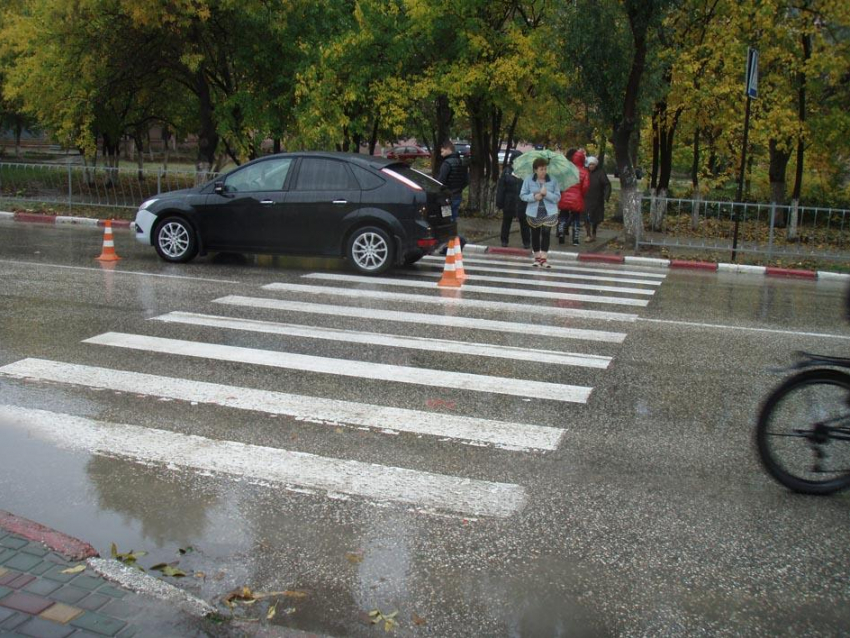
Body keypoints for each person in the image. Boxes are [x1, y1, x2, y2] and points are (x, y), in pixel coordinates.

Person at [520, 158, 560, 268]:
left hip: (549, 212)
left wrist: (547, 194)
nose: (543, 171)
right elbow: (522, 195)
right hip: (534, 211)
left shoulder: (553, 180)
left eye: (545, 169)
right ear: (535, 170)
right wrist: (534, 197)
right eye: (541, 169)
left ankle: (544, 258)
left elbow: (557, 197)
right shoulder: (528, 180)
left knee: (546, 232)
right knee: (535, 234)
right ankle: (537, 257)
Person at [495, 158, 531, 249]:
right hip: (509, 201)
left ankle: (526, 242)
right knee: (506, 221)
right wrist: (499, 202)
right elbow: (501, 188)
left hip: (522, 201)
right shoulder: (507, 172)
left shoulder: (526, 173)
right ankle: (504, 241)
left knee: (524, 223)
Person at [557, 148, 590, 246]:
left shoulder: (567, 170)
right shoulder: (585, 172)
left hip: (565, 196)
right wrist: (581, 195)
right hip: (577, 198)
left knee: (563, 215)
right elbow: (585, 187)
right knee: (576, 218)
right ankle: (575, 240)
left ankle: (561, 233)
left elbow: (561, 183)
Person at [437, 141, 468, 222]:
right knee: (454, 216)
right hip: (458, 195)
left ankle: (448, 233)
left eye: (442, 151)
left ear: (448, 149)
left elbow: (440, 181)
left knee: (446, 218)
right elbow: (466, 180)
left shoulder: (446, 163)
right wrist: (459, 188)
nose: (441, 154)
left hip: (447, 196)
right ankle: (453, 232)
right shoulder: (462, 162)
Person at [584, 155, 611, 242]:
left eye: (593, 164)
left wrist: (606, 196)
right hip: (586, 198)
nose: (591, 166)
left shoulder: (600, 173)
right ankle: (588, 235)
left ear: (596, 165)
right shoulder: (585, 172)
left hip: (597, 199)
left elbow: (607, 184)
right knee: (586, 217)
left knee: (595, 218)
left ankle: (594, 232)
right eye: (590, 164)